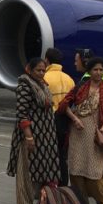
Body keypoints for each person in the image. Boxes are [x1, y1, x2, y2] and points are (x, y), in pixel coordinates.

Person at [62, 57, 103, 204]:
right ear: (89, 71)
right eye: (95, 69)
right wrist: (75, 119)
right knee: (76, 169)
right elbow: (64, 105)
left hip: (96, 134)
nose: (98, 72)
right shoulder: (81, 87)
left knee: (95, 171)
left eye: (101, 70)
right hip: (77, 133)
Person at [6, 57, 61, 204]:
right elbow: (22, 114)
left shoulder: (43, 85)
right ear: (29, 70)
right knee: (26, 172)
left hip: (46, 138)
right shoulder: (24, 86)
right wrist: (29, 137)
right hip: (30, 136)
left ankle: (42, 203)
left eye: (43, 70)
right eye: (38, 70)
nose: (41, 73)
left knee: (43, 171)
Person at [43, 48, 74, 187]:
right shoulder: (69, 79)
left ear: (47, 60)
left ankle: (49, 188)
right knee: (62, 156)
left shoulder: (44, 78)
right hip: (65, 121)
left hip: (49, 121)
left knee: (48, 156)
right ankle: (63, 186)